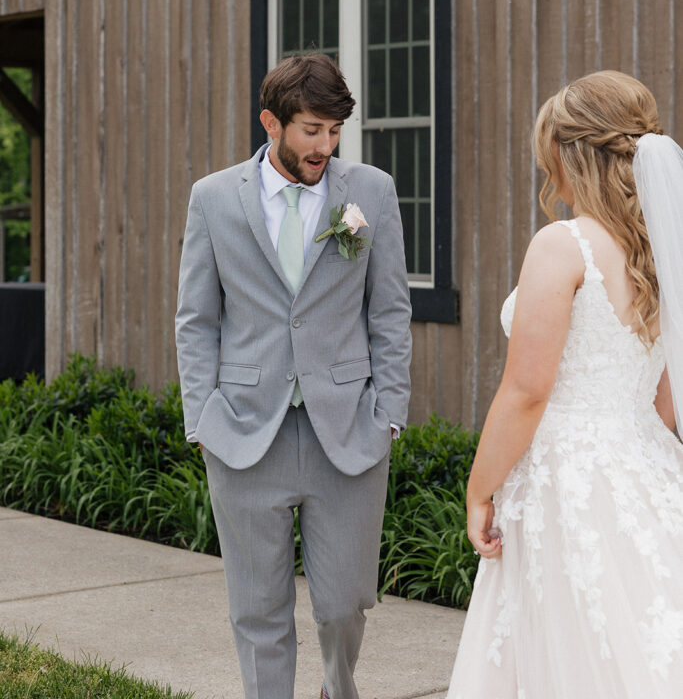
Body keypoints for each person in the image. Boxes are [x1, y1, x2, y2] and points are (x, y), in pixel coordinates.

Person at [175, 53, 412, 699]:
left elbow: (389, 310)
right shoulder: (213, 199)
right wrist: (202, 418)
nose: (324, 146)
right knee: (257, 611)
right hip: (246, 434)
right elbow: (196, 319)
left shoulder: (371, 192)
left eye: (334, 132)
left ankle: (338, 690)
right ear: (269, 123)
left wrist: (388, 412)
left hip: (348, 434)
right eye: (311, 130)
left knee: (342, 604)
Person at [447, 70, 683, 698]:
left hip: (568, 474)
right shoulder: (663, 249)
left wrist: (479, 490)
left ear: (570, 153)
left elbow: (527, 390)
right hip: (649, 464)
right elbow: (664, 395)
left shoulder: (564, 245)